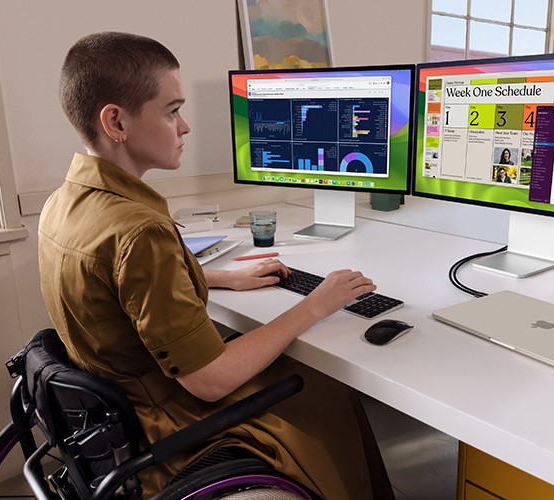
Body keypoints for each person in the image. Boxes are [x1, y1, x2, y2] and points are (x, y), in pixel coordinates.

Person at [38, 32, 393, 499]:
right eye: (171, 111)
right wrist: (316, 304)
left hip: (112, 420)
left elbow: (112, 288)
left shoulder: (63, 204)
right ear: (116, 122)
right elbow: (209, 380)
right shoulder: (139, 230)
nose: (184, 127)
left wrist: (220, 277)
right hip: (167, 427)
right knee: (327, 390)